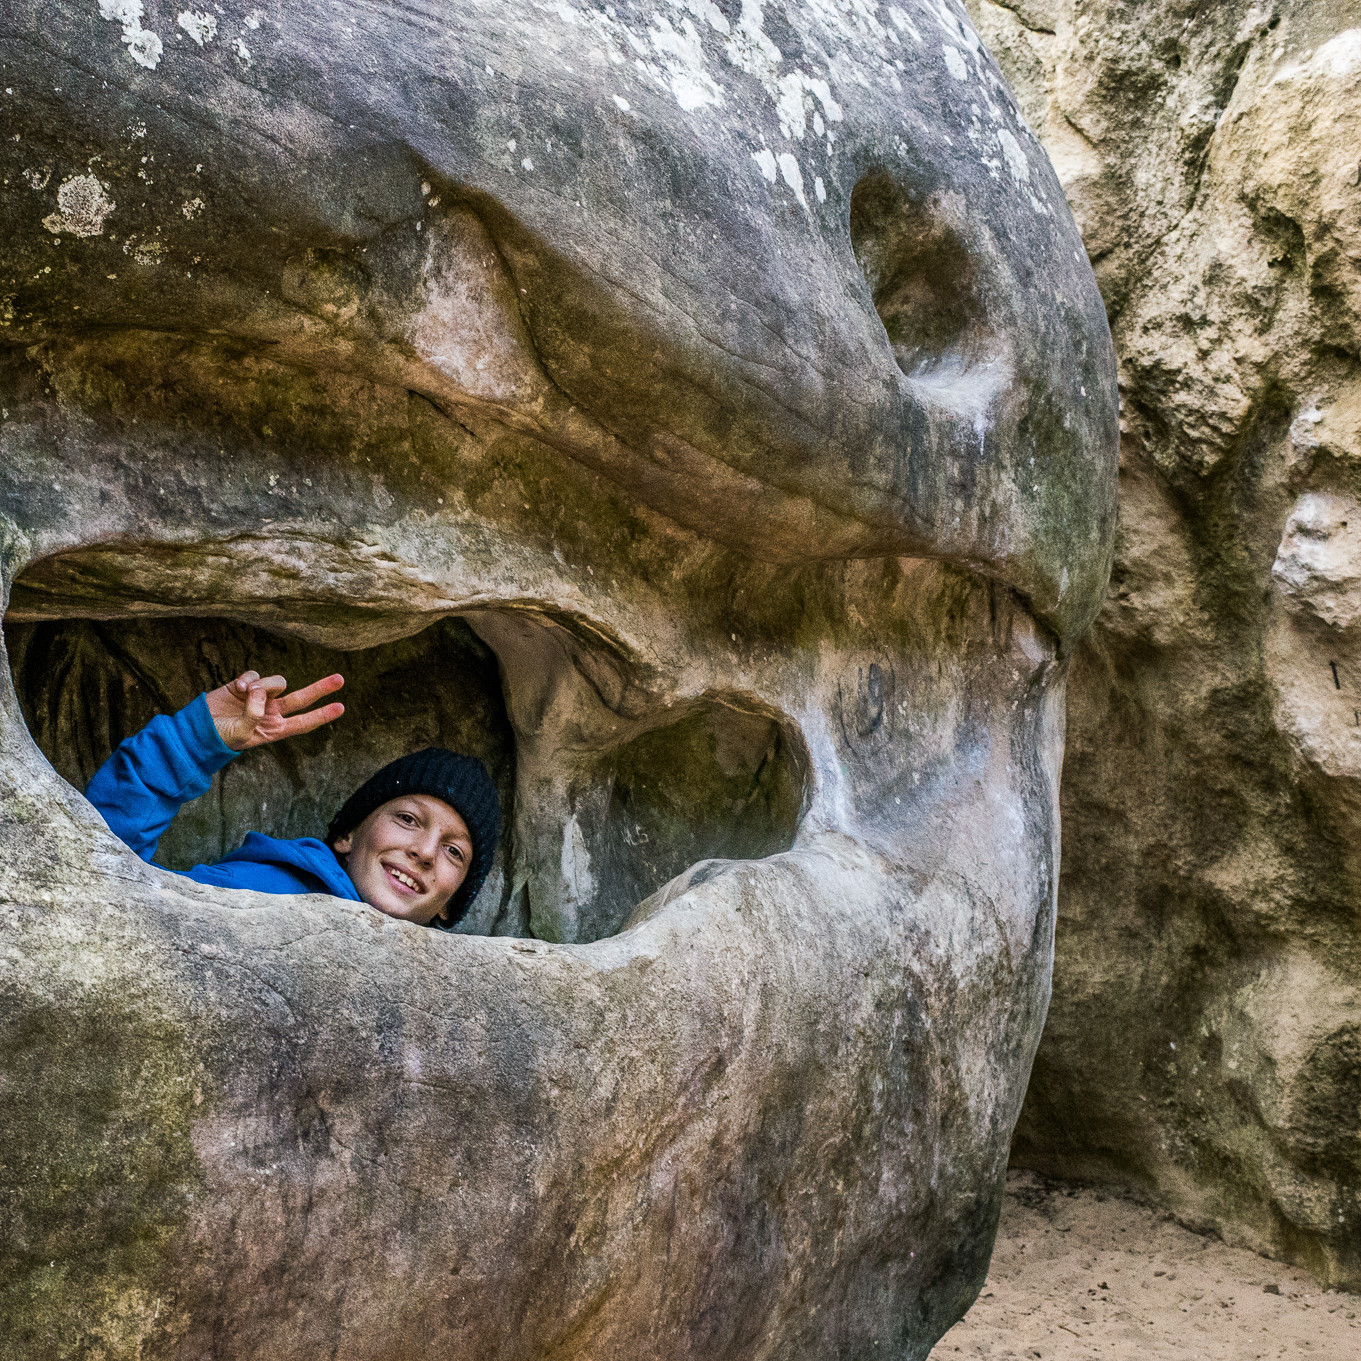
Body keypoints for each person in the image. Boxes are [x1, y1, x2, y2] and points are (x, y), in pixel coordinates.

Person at [84, 669, 501, 929]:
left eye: (453, 851)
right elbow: (99, 880)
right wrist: (191, 740)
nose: (425, 852)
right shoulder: (259, 893)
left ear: (453, 903)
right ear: (348, 835)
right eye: (408, 819)